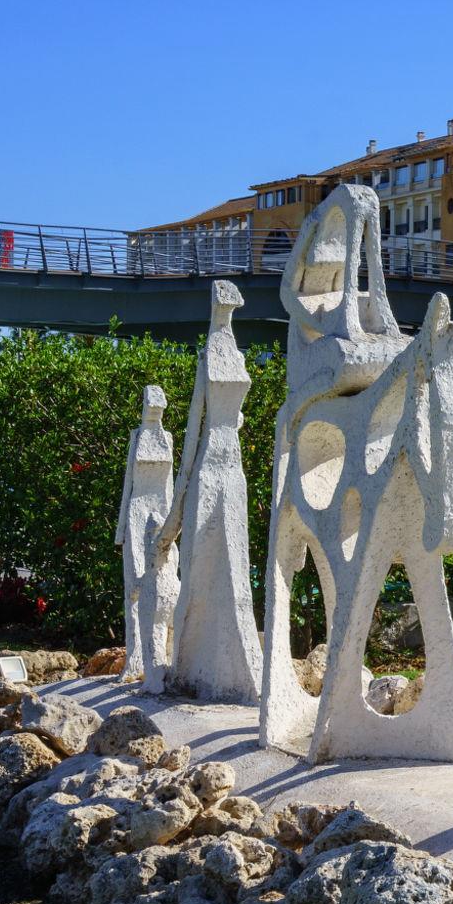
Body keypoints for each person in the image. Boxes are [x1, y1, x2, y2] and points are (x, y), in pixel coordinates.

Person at [155, 282, 262, 704]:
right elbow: (192, 431)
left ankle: (235, 665)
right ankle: (188, 664)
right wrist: (174, 517)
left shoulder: (236, 354)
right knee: (199, 565)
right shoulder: (207, 356)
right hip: (208, 465)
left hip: (233, 465)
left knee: (235, 561)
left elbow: (237, 418)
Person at [116, 384, 179, 680]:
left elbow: (170, 484)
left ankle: (164, 658)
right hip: (137, 510)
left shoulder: (167, 439)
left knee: (165, 583)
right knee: (135, 584)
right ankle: (136, 658)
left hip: (162, 510)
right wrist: (121, 529)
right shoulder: (137, 437)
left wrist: (174, 523)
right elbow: (129, 485)